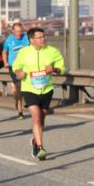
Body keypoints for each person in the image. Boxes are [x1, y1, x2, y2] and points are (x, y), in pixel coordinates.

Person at [12, 27, 65, 160]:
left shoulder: (52, 51)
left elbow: (61, 67)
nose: (43, 39)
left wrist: (54, 69)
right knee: (36, 116)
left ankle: (35, 139)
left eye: (44, 36)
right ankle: (40, 147)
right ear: (31, 40)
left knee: (42, 117)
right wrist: (19, 73)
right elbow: (16, 67)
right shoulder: (24, 52)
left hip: (46, 89)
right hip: (29, 88)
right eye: (40, 37)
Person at [2, 22, 30, 120]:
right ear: (13, 31)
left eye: (20, 31)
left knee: (27, 85)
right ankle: (20, 112)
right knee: (19, 86)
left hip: (26, 66)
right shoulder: (9, 40)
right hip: (14, 67)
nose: (19, 33)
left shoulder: (26, 38)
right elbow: (4, 51)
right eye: (17, 31)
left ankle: (26, 100)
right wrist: (5, 62)